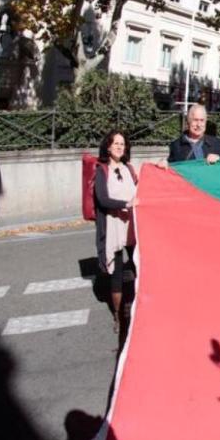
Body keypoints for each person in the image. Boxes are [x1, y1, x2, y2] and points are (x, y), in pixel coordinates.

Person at [94, 130, 139, 337]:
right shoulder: (101, 170)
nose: (120, 147)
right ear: (108, 147)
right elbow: (102, 200)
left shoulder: (129, 168)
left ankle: (138, 310)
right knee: (117, 275)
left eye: (123, 144)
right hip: (113, 228)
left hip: (132, 227)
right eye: (116, 144)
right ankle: (118, 317)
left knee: (140, 268)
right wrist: (125, 204)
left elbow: (141, 189)